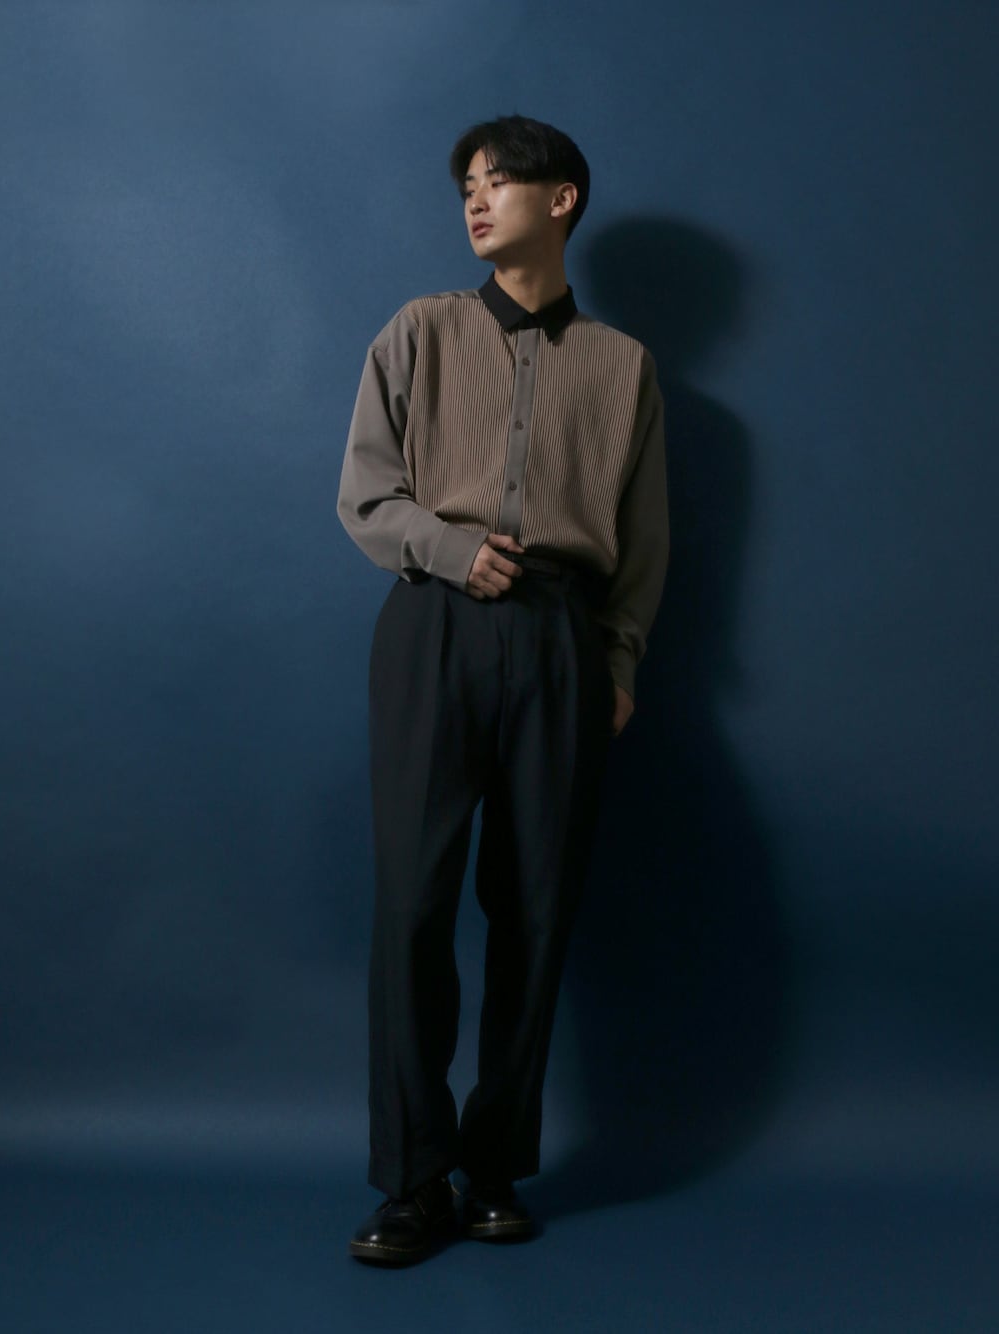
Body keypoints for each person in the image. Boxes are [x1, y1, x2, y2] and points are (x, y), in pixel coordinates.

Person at [338, 114, 669, 1264]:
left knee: (535, 909)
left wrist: (615, 663)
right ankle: (411, 1178)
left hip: (560, 645)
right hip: (432, 627)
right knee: (412, 906)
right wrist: (445, 547)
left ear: (561, 198)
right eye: (466, 187)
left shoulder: (625, 368)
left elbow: (643, 542)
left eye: (497, 182)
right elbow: (365, 493)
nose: (475, 201)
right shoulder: (418, 331)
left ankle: (491, 1169)